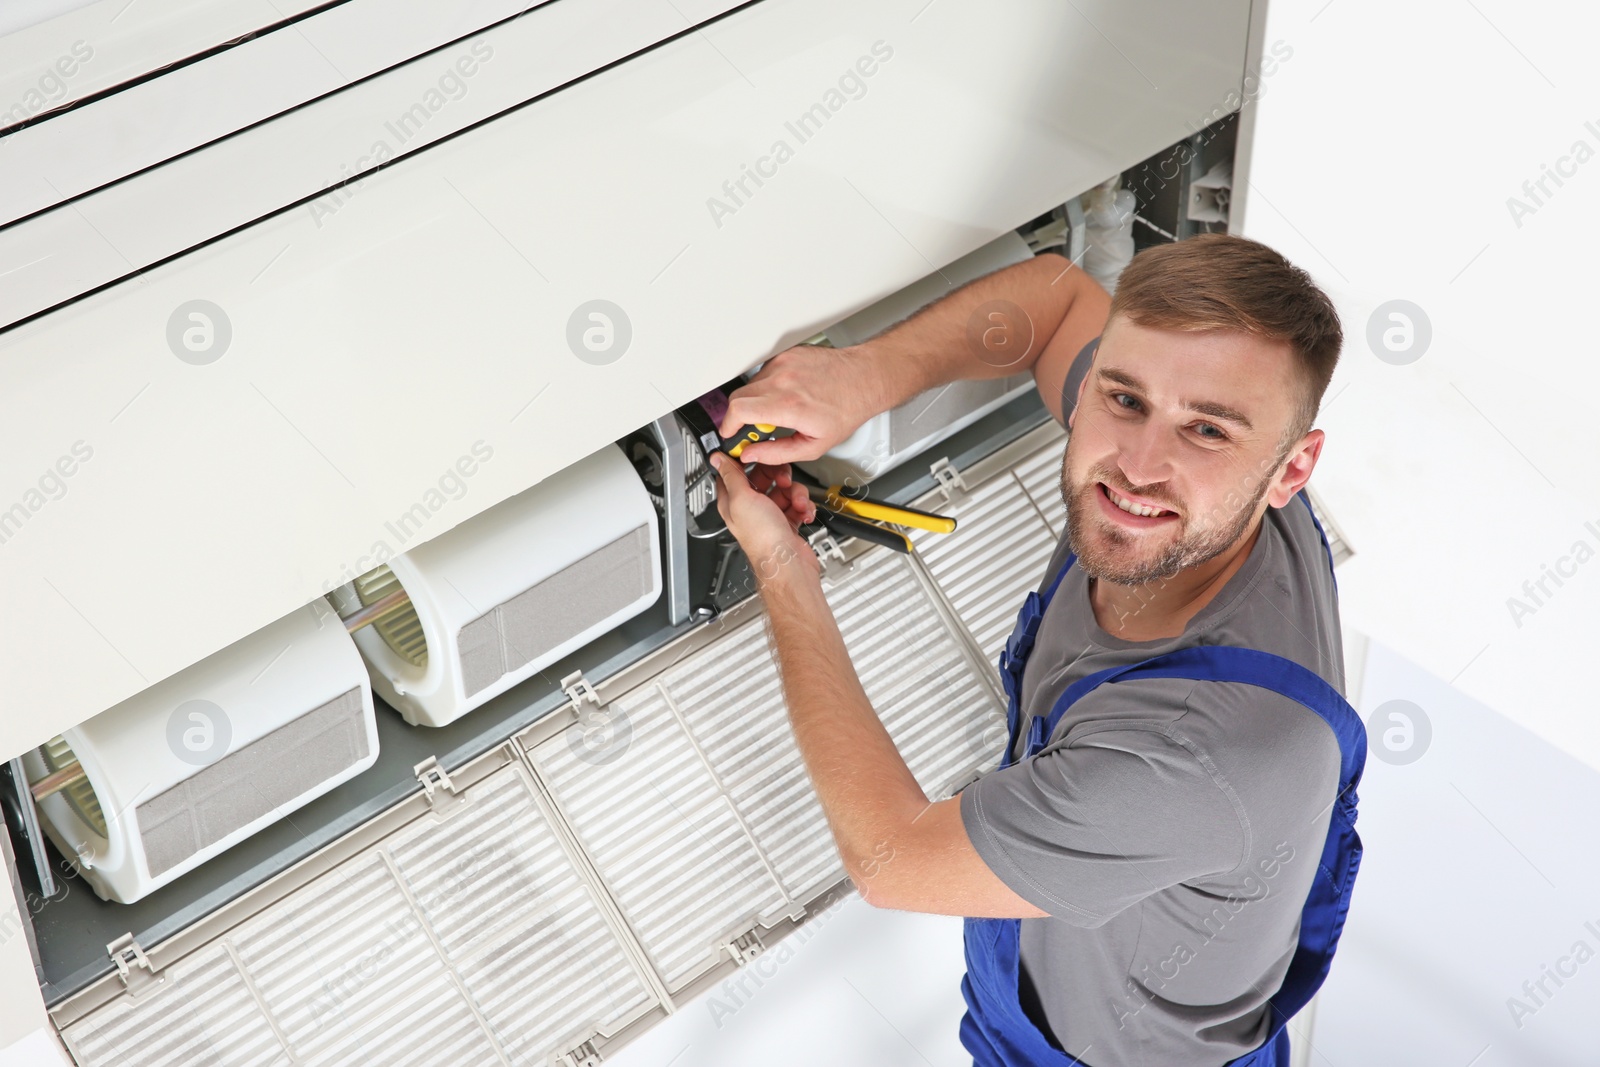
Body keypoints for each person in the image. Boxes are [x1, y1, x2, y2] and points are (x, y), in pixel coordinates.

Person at [706, 233, 1366, 1067]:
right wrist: (861, 379)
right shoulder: (1222, 503)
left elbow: (890, 859)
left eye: (1206, 431)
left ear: (1291, 469)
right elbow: (1057, 301)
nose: (1137, 466)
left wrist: (783, 569)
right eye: (1125, 400)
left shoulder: (1196, 759)